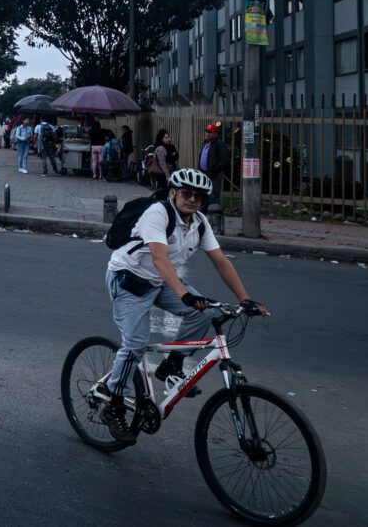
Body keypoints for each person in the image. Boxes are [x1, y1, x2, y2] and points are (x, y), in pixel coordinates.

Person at [94, 168, 267, 444]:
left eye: (198, 196)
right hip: (129, 280)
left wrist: (245, 299)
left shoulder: (199, 222)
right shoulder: (158, 214)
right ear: (173, 193)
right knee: (136, 343)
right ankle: (113, 402)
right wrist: (185, 295)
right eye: (186, 193)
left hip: (159, 281)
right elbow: (160, 259)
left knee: (206, 313)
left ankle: (171, 366)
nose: (193, 200)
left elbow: (221, 260)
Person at [199, 123, 231, 207]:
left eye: (210, 132)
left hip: (214, 175)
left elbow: (225, 159)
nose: (207, 134)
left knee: (213, 196)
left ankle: (215, 216)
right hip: (204, 173)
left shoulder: (219, 144)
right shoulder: (206, 143)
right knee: (204, 194)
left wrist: (215, 170)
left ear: (216, 134)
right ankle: (206, 213)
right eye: (206, 131)